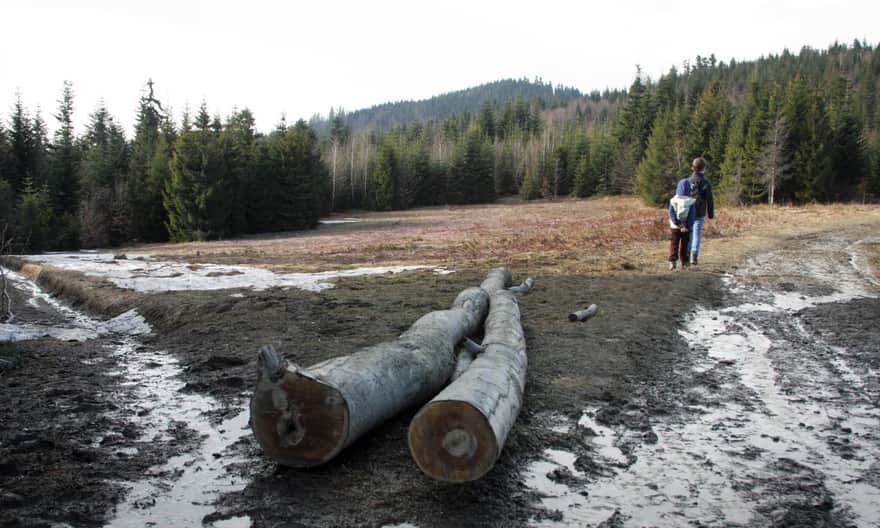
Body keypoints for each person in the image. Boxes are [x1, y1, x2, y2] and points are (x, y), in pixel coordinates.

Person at [688, 157, 714, 265]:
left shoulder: (688, 181)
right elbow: (710, 199)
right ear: (704, 169)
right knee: (697, 234)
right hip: (699, 212)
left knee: (689, 234)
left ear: (693, 168)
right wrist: (710, 213)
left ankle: (686, 254)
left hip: (688, 212)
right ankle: (694, 255)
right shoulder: (706, 183)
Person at [668, 178, 696, 270]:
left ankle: (672, 262)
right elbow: (692, 216)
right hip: (686, 227)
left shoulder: (673, 200)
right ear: (689, 189)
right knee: (685, 245)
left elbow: (671, 214)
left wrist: (678, 225)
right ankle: (684, 262)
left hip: (674, 226)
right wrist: (686, 226)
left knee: (674, 244)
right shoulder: (691, 201)